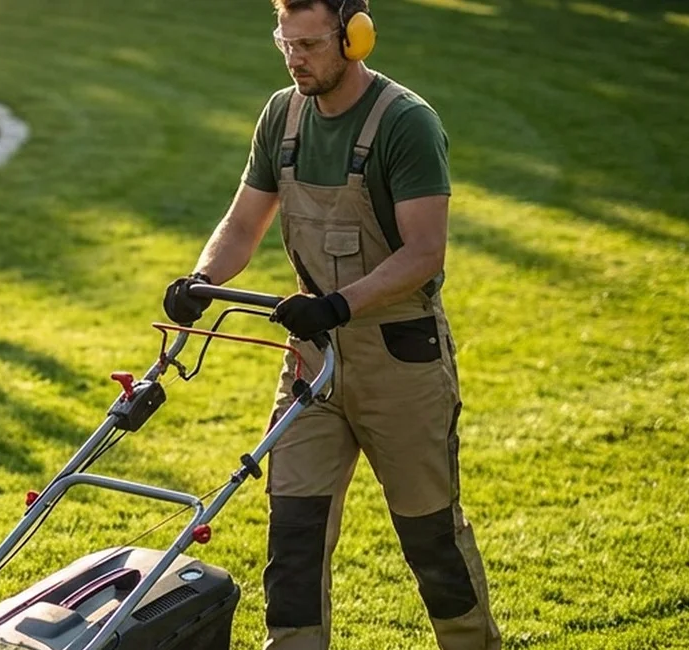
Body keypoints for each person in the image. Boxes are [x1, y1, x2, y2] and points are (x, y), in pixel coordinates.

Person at [160, 1, 502, 648]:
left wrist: (339, 305)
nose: (294, 59)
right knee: (293, 536)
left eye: (310, 44)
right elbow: (241, 224)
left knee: (432, 540)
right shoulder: (281, 116)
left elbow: (425, 252)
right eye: (284, 43)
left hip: (399, 362)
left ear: (355, 37)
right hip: (312, 366)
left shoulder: (407, 125)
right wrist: (200, 282)